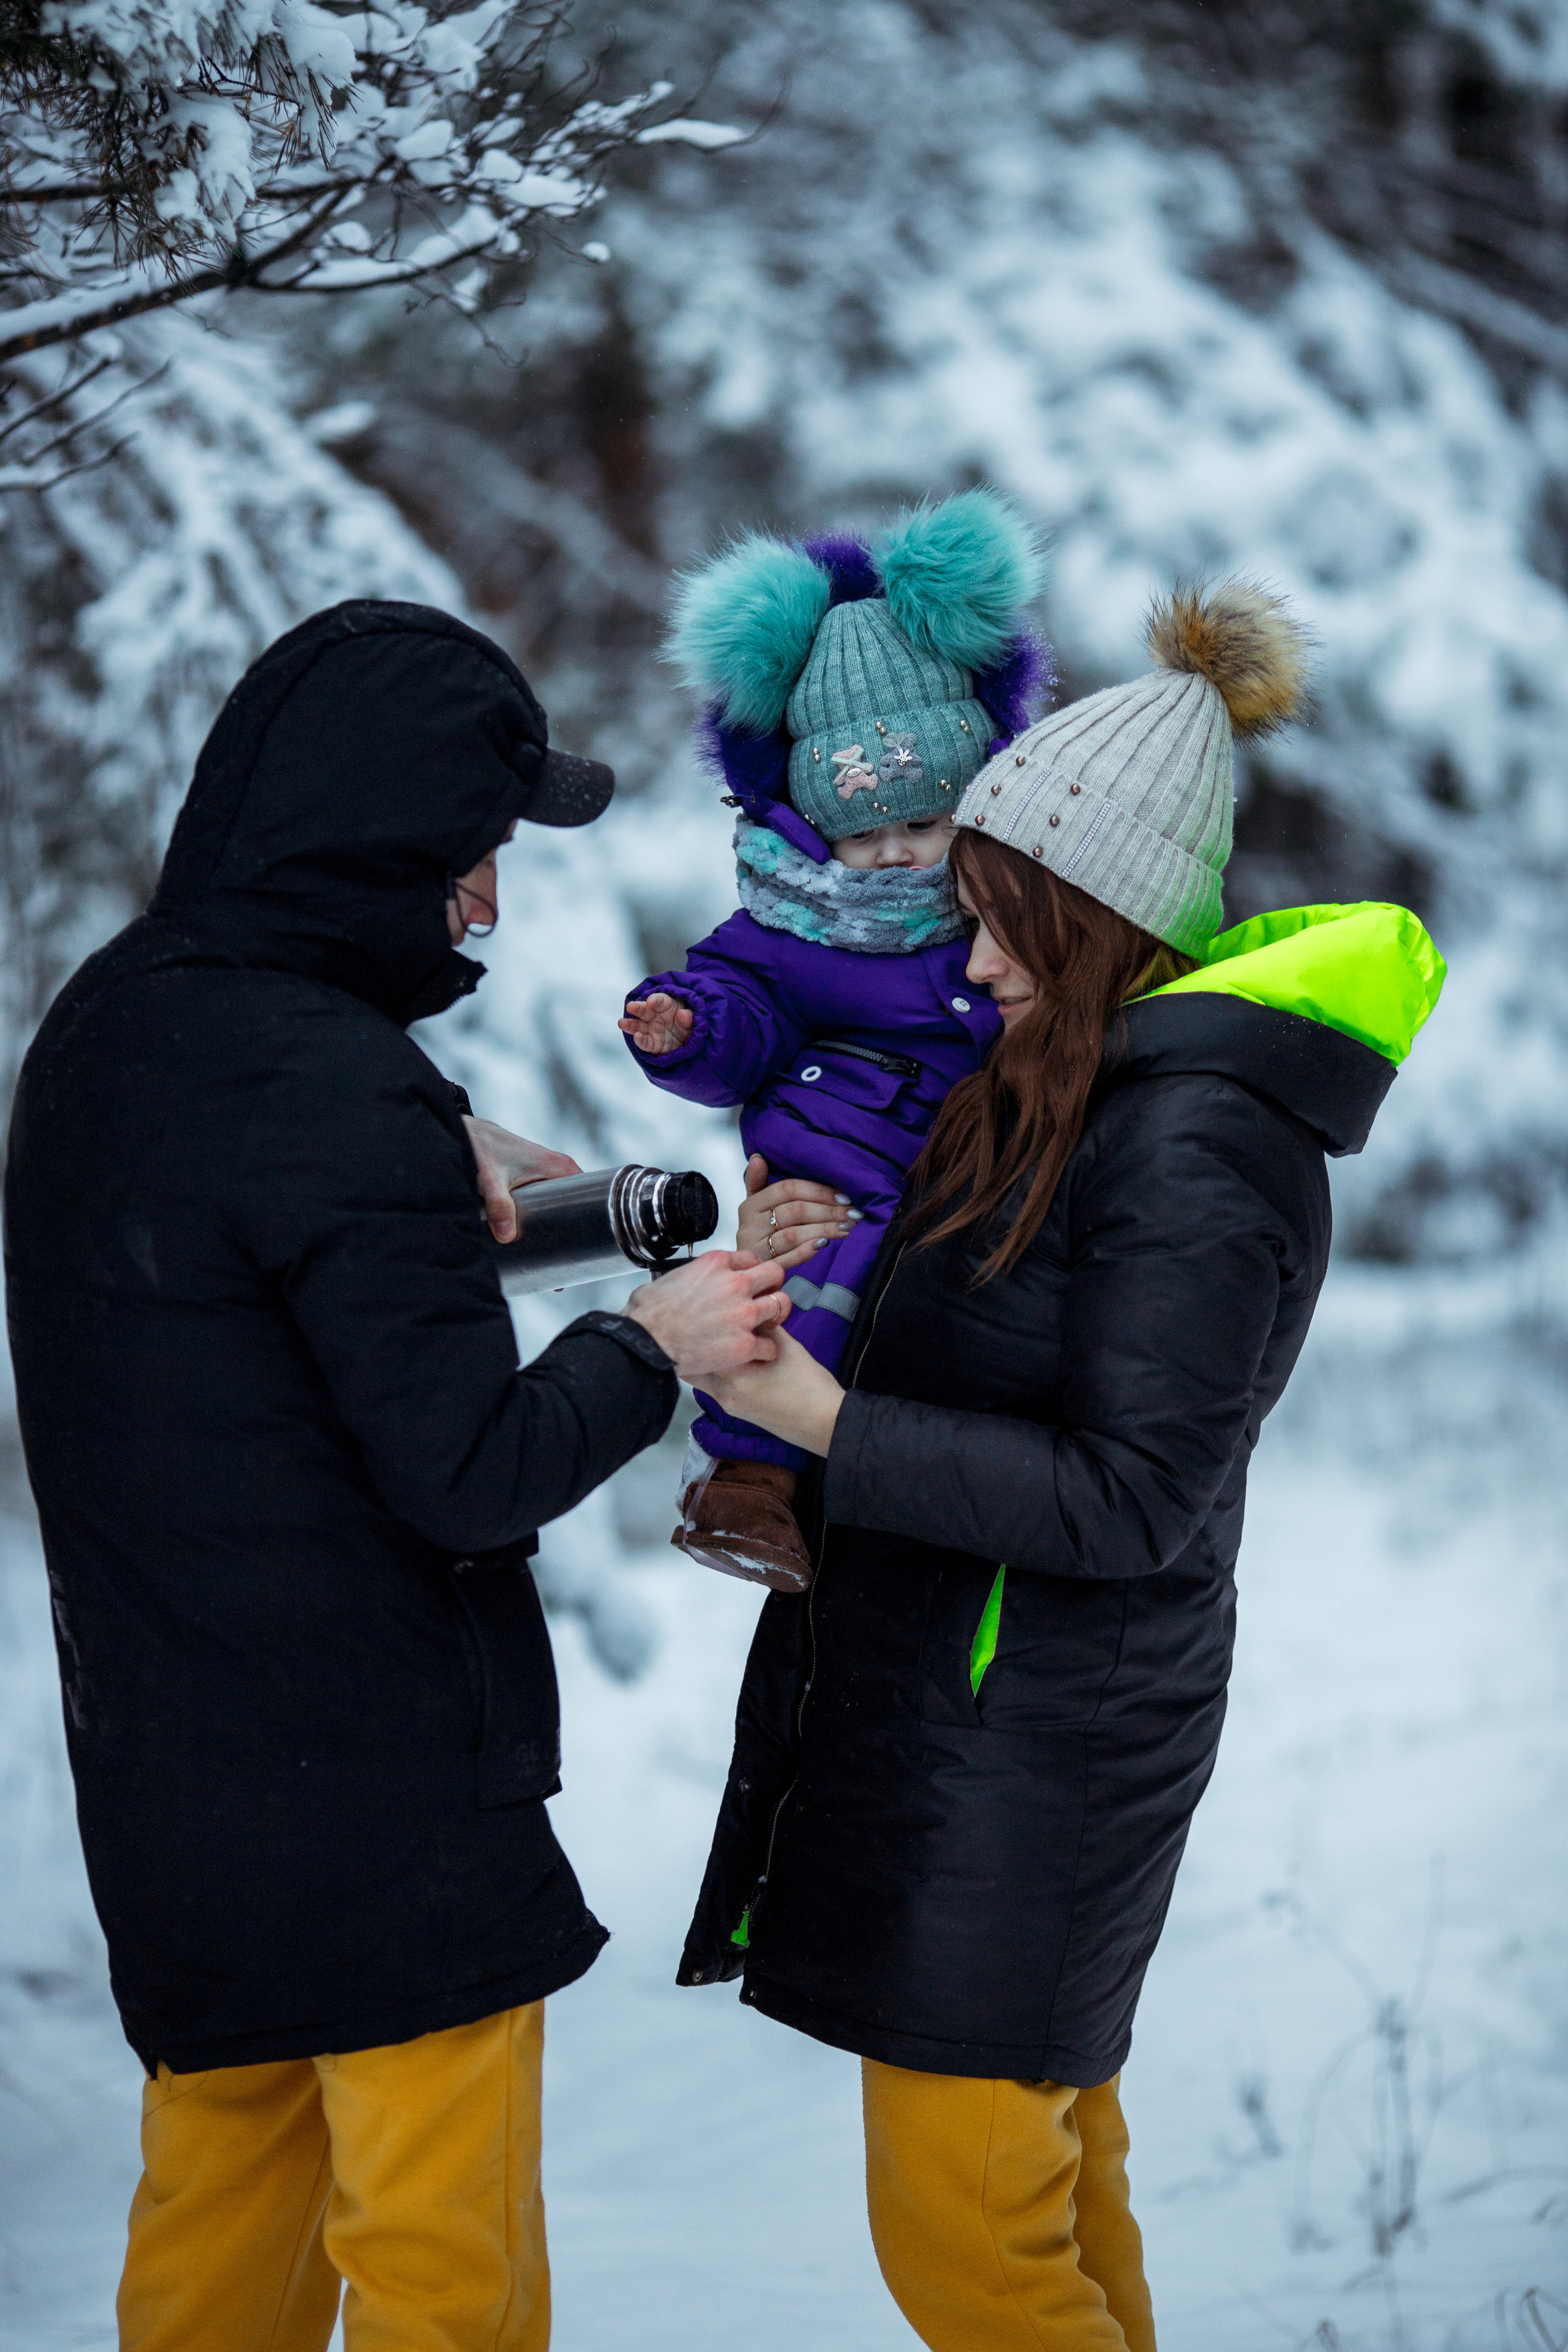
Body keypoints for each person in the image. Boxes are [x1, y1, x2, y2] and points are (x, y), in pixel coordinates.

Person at [3, 599, 790, 2352]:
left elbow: (223, 1257)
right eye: (472, 851)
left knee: (217, 2266)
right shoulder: (340, 1093)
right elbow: (470, 1475)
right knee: (446, 2284)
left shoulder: (105, 1034)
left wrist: (425, 1124)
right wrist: (650, 1342)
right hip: (387, 1819)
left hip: (177, 1804)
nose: (488, 901)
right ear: (377, 839)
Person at [676, 580, 1446, 2349]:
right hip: (978, 1724)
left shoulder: (1197, 1145)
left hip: (1037, 1741)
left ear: (1097, 919)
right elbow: (982, 1350)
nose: (970, 966)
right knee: (1051, 2208)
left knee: (970, 2244)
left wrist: (824, 1426)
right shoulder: (1065, 1093)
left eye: (1002, 922)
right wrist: (808, 1245)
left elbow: (1129, 1497)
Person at [620, 489, 1050, 1588]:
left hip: (962, 1170)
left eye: (925, 822)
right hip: (844, 1150)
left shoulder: (1023, 905)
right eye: (864, 832)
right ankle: (744, 1477)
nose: (897, 854)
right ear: (814, 826)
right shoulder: (794, 924)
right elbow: (743, 1006)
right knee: (806, 1273)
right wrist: (687, 1028)